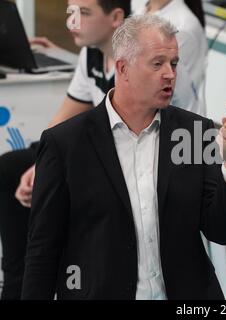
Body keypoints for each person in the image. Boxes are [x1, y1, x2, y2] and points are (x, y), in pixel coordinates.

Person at [21, 14, 226, 300]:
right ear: (123, 68)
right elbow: (43, 249)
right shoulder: (65, 144)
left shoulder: (194, 131)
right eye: (157, 64)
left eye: (174, 63)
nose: (170, 74)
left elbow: (221, 231)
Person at [0, 0, 131, 299]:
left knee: (52, 188)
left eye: (84, 13)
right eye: (71, 13)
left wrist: (47, 170)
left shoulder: (132, 65)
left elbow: (121, 141)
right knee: (11, 169)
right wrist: (39, 164)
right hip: (92, 156)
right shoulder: (92, 56)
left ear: (116, 17)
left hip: (122, 166)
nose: (73, 22)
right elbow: (60, 124)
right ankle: (15, 287)